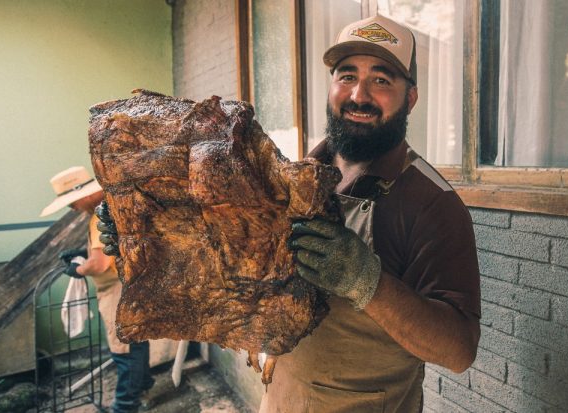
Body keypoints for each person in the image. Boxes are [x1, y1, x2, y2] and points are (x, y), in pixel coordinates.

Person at [98, 14, 480, 412]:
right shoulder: (294, 179)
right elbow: (228, 261)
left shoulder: (431, 203)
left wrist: (367, 282)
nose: (359, 95)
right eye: (347, 76)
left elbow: (459, 351)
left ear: (411, 98)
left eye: (382, 80)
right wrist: (143, 234)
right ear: (332, 86)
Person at [41, 166, 153, 413]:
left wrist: (78, 268)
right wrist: (85, 254)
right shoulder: (115, 206)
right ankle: (144, 388)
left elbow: (100, 263)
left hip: (117, 290)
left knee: (123, 351)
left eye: (72, 202)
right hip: (133, 284)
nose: (72, 208)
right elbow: (111, 250)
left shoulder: (100, 215)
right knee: (137, 342)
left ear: (87, 194)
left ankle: (124, 407)